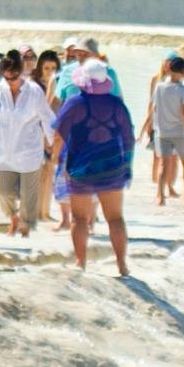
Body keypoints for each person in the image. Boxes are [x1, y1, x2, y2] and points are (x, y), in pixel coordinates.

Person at [53, 50, 136, 277]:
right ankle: (121, 265)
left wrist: (54, 159)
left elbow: (59, 135)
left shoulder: (74, 103)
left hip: (81, 168)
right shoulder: (117, 105)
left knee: (79, 218)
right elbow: (129, 138)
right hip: (112, 168)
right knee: (115, 218)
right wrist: (127, 166)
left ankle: (81, 262)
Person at [0, 50, 56, 233]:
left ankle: (25, 229)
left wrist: (52, 143)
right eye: (6, 78)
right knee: (3, 191)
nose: (10, 81)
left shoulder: (34, 91)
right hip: (4, 148)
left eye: (13, 77)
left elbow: (47, 117)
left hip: (29, 148)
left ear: (20, 72)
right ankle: (13, 217)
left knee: (28, 195)